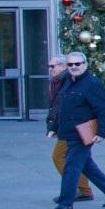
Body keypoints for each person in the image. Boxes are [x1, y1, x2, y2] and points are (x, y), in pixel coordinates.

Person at [50, 51, 105, 209]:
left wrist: (102, 132)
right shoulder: (67, 81)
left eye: (78, 64)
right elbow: (60, 107)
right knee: (87, 166)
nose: (74, 67)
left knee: (71, 167)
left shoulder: (92, 83)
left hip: (82, 134)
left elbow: (102, 109)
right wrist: (54, 128)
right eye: (70, 64)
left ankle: (65, 203)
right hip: (68, 131)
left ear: (85, 64)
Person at [43, 53, 92, 201]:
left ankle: (80, 190)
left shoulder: (67, 80)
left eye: (53, 66)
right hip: (69, 126)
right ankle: (97, 190)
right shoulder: (59, 81)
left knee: (59, 156)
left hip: (72, 128)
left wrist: (56, 127)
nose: (51, 69)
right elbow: (57, 107)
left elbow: (62, 107)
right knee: (84, 162)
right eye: (49, 66)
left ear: (63, 66)